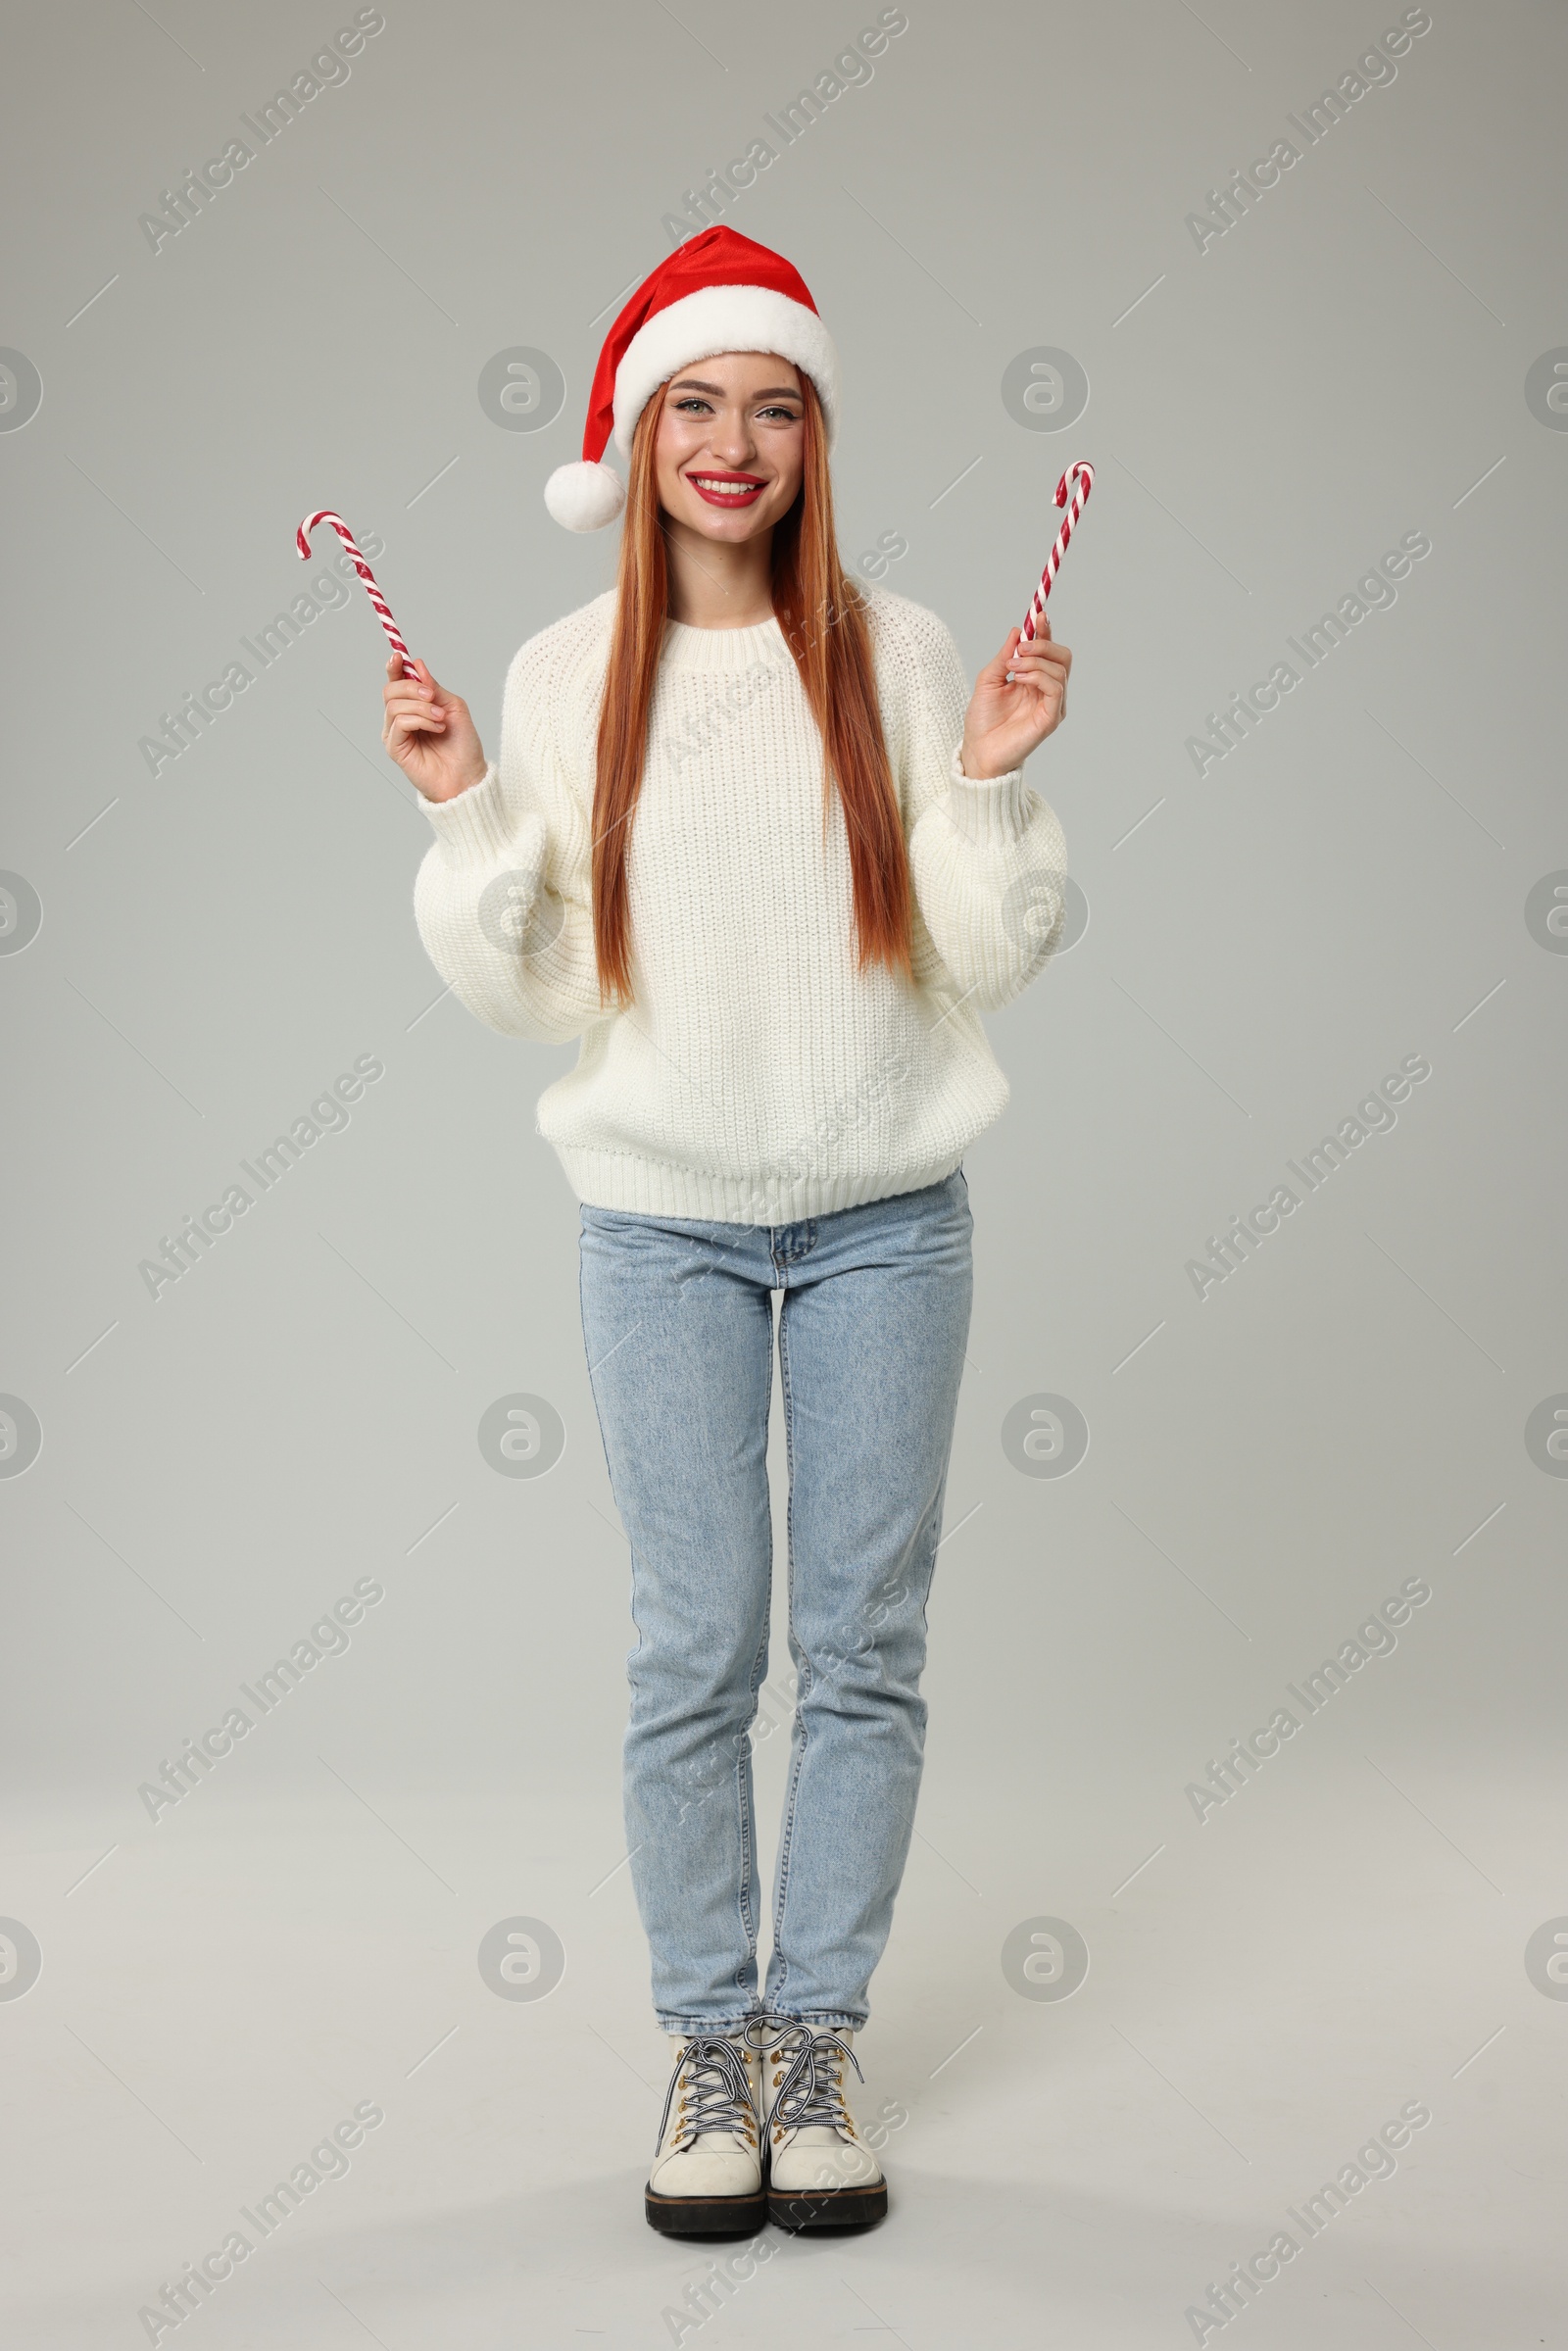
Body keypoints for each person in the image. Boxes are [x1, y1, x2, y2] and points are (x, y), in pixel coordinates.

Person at [385, 226, 1071, 2237]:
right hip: (657, 1228)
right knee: (694, 1648)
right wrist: (456, 814)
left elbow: (977, 952)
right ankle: (708, 2044)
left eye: (772, 405)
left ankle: (815, 2041)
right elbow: (531, 994)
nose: (733, 441)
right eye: (695, 401)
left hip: (885, 1222)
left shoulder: (902, 646)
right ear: (636, 429)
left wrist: (998, 788)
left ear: (813, 435)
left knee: (861, 1645)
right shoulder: (553, 673)